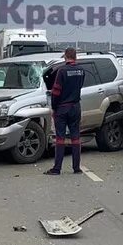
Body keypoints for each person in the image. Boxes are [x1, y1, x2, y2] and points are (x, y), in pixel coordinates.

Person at [44, 47, 86, 176]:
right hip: (75, 107)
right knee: (76, 138)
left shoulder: (62, 71)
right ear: (75, 56)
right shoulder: (81, 71)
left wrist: (54, 107)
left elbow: (56, 91)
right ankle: (76, 168)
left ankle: (57, 169)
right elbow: (80, 86)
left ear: (65, 56)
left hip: (62, 108)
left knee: (60, 139)